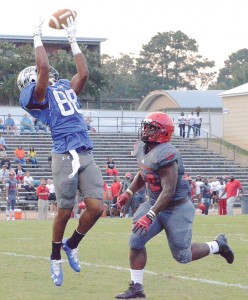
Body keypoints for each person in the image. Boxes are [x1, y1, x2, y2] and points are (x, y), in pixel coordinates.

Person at [18, 16, 104, 287]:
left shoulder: (64, 87)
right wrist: (36, 35)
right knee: (65, 212)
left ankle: (72, 244)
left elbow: (84, 74)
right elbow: (43, 67)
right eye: (41, 74)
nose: (50, 74)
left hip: (85, 151)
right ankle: (55, 258)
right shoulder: (34, 96)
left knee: (97, 207)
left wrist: (73, 40)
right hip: (64, 154)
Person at [115, 112, 234, 299]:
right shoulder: (142, 147)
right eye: (145, 126)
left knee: (182, 256)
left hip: (176, 207)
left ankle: (218, 245)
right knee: (136, 241)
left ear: (163, 132)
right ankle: (137, 288)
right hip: (154, 202)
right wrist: (128, 192)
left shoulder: (167, 153)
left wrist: (150, 216)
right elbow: (144, 172)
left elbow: (168, 191)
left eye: (151, 127)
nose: (145, 130)